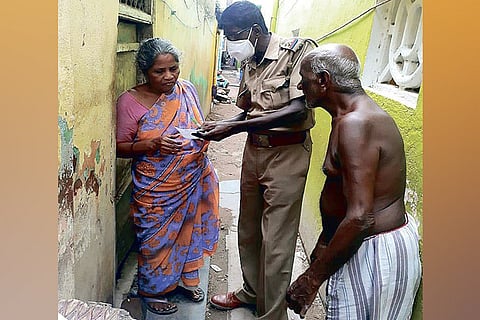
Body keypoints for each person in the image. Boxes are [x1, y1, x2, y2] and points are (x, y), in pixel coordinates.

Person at [194, 2, 317, 319]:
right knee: (248, 230)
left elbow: (299, 109)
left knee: (276, 242)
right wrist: (224, 126)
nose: (231, 43)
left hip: (287, 153)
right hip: (255, 150)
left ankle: (271, 314)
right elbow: (249, 110)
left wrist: (234, 127)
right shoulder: (249, 61)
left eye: (234, 35)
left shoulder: (297, 52)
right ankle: (250, 291)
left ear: (256, 31)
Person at [286, 43, 422, 319]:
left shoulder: (355, 124)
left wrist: (311, 280)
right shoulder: (348, 118)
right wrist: (325, 241)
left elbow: (361, 217)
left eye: (305, 79)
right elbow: (341, 191)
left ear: (323, 81)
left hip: (375, 252)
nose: (301, 86)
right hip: (363, 245)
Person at [115, 38, 219, 315]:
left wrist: (205, 130)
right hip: (156, 188)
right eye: (159, 72)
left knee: (189, 230)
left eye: (173, 68)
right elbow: (121, 147)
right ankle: (153, 290)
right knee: (156, 239)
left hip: (192, 179)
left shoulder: (186, 90)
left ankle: (185, 278)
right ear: (145, 72)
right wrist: (154, 144)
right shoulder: (130, 101)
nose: (169, 76)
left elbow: (195, 123)